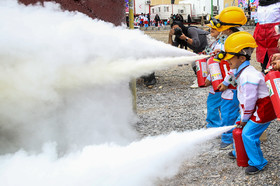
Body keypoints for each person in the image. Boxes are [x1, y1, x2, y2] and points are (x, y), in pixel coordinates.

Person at [220, 31, 276, 175]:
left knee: (248, 134)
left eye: (230, 58)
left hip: (263, 109)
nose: (227, 61)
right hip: (255, 107)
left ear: (242, 57)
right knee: (238, 125)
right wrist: (225, 82)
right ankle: (238, 150)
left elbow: (249, 102)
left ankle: (258, 163)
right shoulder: (241, 69)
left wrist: (245, 119)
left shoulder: (248, 77)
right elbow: (231, 73)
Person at [207, 6, 247, 149]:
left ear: (228, 29)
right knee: (233, 110)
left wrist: (224, 82)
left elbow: (233, 67)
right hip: (234, 84)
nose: (220, 29)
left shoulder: (234, 41)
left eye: (222, 26)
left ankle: (228, 137)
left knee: (228, 111)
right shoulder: (236, 39)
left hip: (231, 85)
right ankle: (232, 134)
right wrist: (220, 52)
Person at [168, 18, 209, 88]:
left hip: (208, 45)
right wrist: (170, 36)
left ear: (181, 27)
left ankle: (202, 79)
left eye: (176, 28)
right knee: (195, 61)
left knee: (198, 62)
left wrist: (185, 38)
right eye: (173, 29)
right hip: (199, 50)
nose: (176, 30)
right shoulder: (178, 36)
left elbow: (197, 43)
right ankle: (200, 78)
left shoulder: (190, 30)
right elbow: (172, 48)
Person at [203, 22, 226, 129]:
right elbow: (213, 53)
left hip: (217, 79)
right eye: (210, 27)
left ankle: (214, 126)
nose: (211, 29)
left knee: (212, 104)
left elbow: (217, 62)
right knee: (223, 104)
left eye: (214, 28)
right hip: (219, 78)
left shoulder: (222, 42)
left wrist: (209, 78)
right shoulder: (218, 41)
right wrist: (205, 52)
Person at [253, 1, 280, 73]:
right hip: (262, 41)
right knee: (265, 67)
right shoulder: (260, 4)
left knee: (276, 64)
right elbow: (259, 22)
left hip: (275, 40)